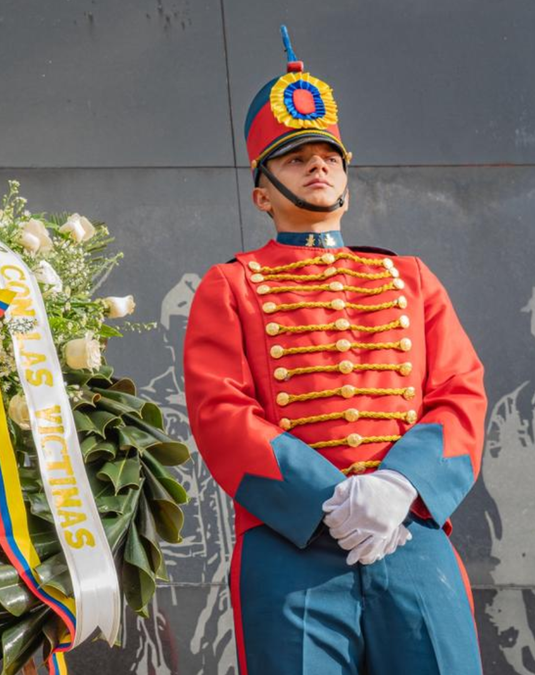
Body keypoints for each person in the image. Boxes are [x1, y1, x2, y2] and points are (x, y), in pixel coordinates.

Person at [183, 25, 486, 674]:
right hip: (290, 544)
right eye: (296, 157)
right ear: (263, 192)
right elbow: (220, 411)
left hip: (408, 531)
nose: (317, 164)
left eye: (328, 155)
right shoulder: (231, 284)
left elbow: (459, 391)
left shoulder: (410, 277)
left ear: (346, 179)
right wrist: (329, 497)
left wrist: (400, 484)